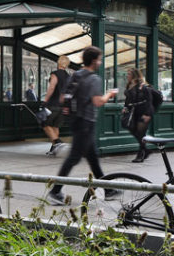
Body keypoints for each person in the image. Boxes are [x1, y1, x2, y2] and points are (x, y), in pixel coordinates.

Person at [47, 47, 120, 205]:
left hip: (75, 121)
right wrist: (110, 94)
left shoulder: (75, 75)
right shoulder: (94, 79)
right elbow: (98, 102)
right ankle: (55, 191)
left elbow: (61, 98)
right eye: (99, 59)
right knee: (73, 158)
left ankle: (108, 190)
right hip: (86, 122)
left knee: (93, 158)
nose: (100, 62)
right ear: (94, 61)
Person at [122, 67, 155, 163]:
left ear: (134, 75)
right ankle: (146, 150)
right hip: (134, 112)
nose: (127, 76)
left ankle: (141, 154)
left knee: (141, 134)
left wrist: (147, 114)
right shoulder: (129, 85)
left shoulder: (143, 85)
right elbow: (128, 99)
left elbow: (149, 100)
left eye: (129, 74)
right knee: (134, 131)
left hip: (144, 111)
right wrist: (125, 107)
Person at [41, 56, 71, 155]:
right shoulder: (68, 76)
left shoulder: (55, 74)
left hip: (53, 103)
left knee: (44, 123)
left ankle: (57, 141)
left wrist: (45, 100)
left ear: (58, 63)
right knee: (55, 126)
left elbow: (52, 87)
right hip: (63, 105)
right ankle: (54, 149)